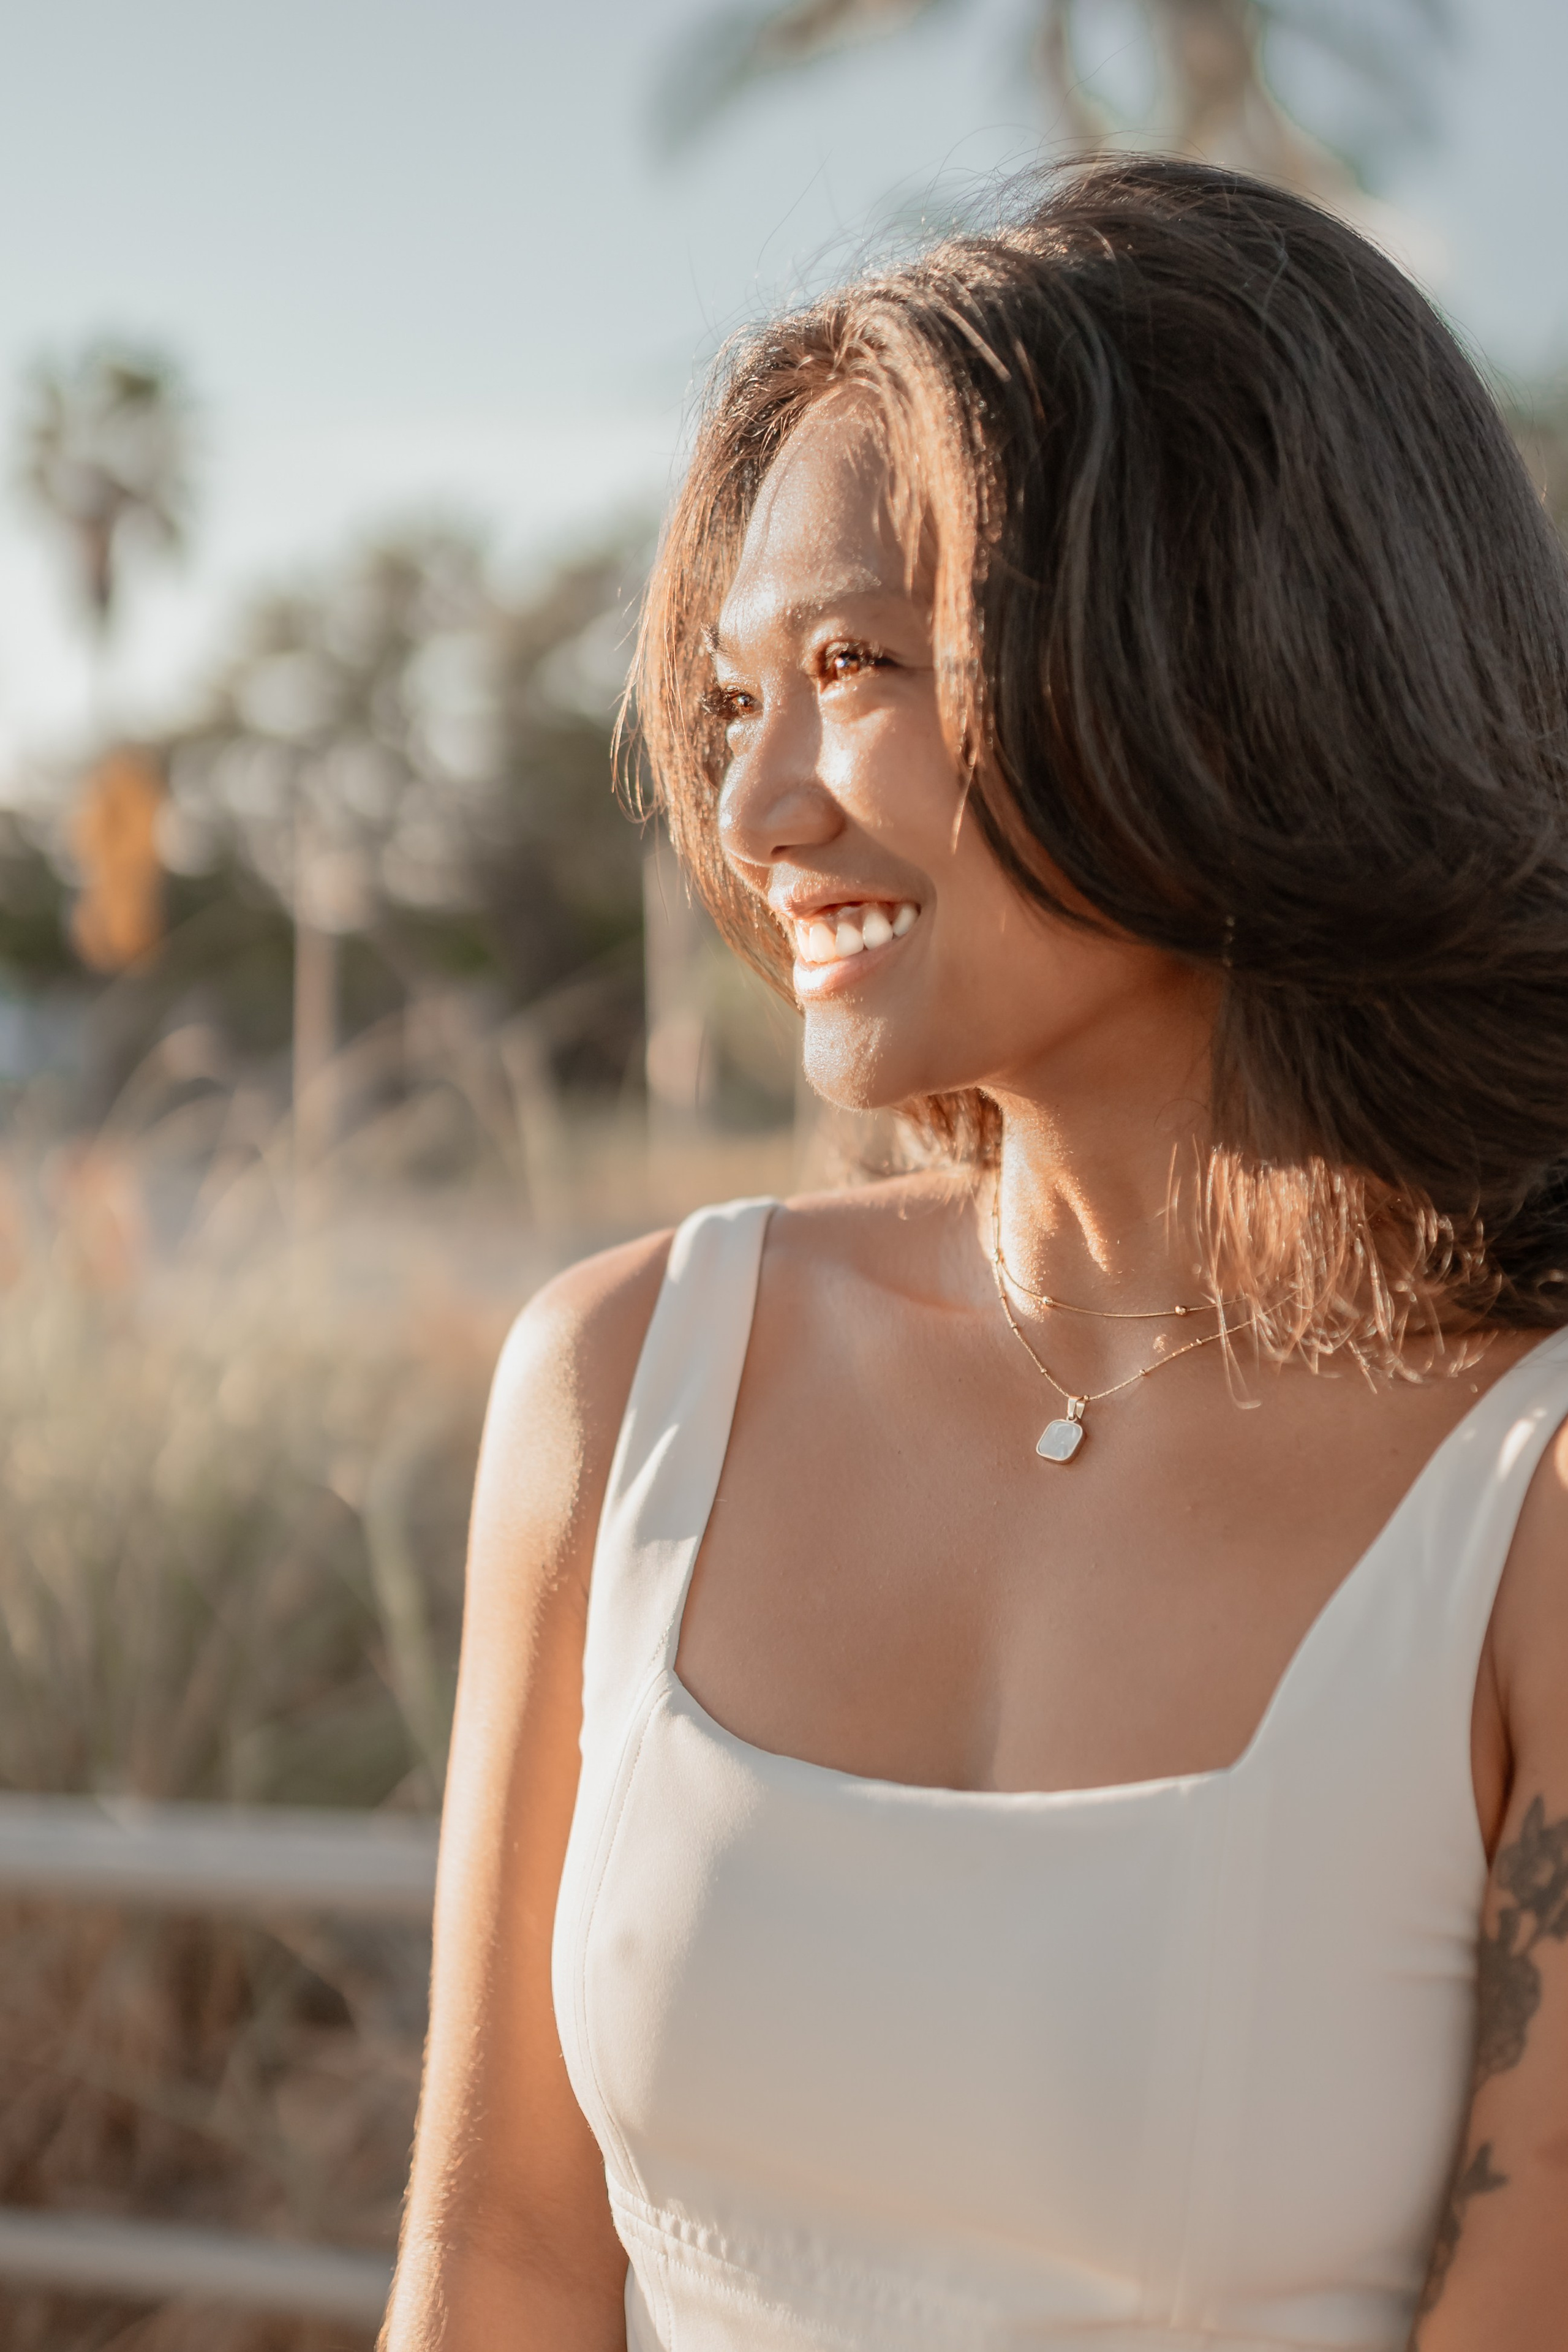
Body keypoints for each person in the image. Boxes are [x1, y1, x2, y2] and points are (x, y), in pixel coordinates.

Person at [383, 158, 1568, 2352]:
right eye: (737, 700)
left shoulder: (1532, 1499)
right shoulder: (628, 1382)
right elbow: (502, 2271)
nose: (754, 812)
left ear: (1226, 657)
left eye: (854, 665)